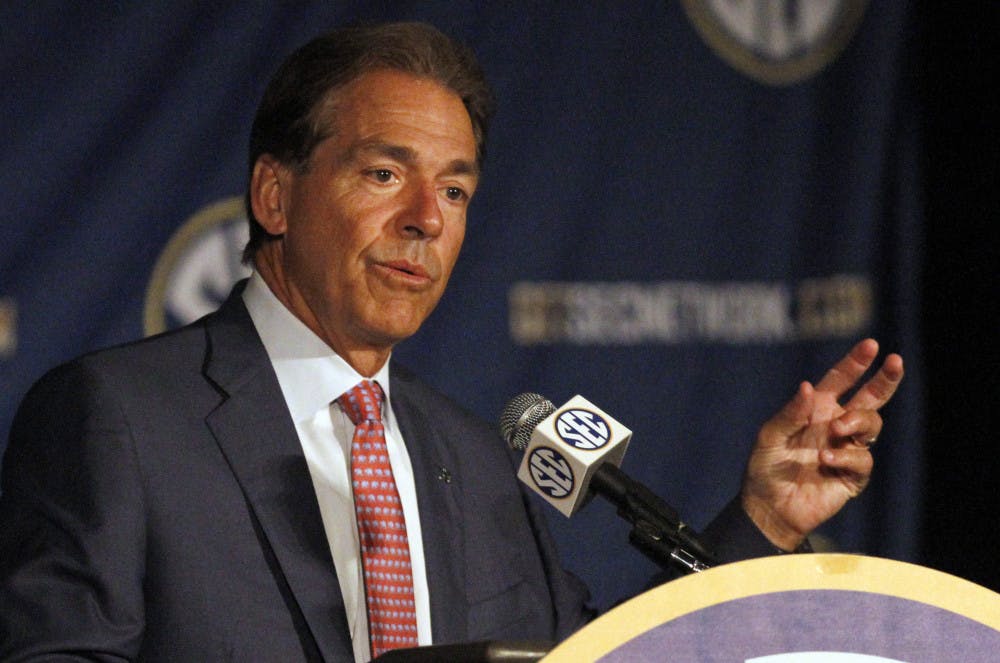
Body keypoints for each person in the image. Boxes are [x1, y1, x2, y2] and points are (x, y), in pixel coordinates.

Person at [0, 21, 903, 662]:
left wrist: (765, 522)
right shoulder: (121, 419)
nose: (425, 220)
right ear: (274, 197)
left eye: (457, 191)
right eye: (384, 172)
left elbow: (600, 661)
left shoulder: (476, 463)